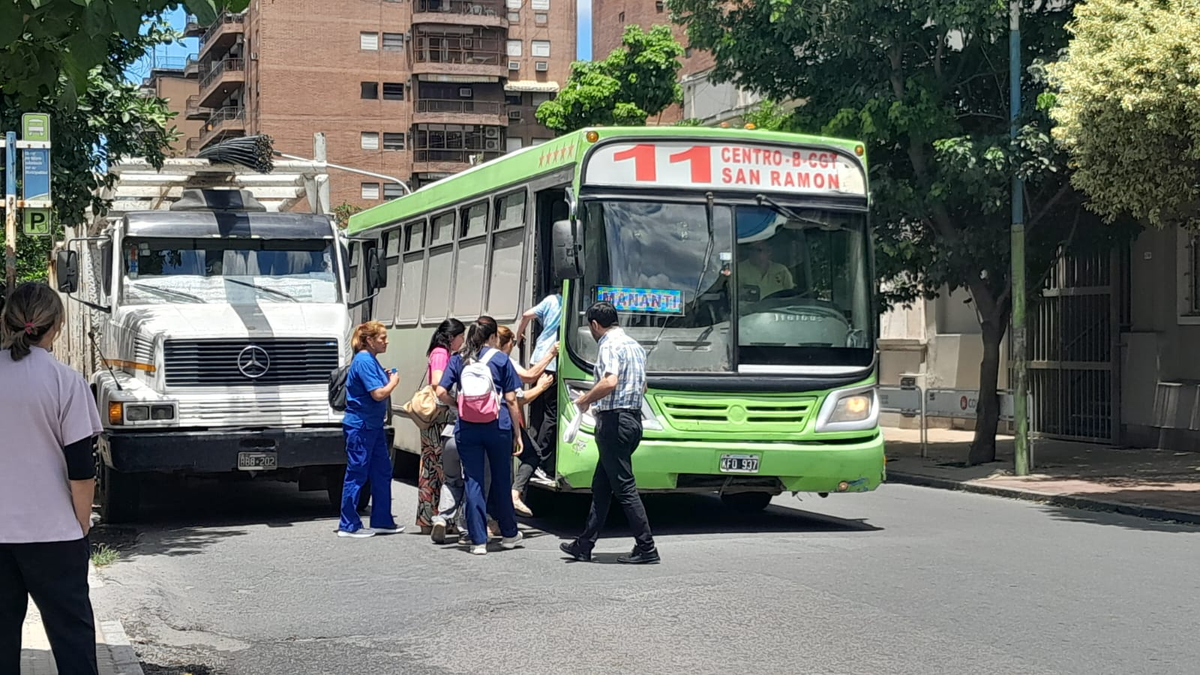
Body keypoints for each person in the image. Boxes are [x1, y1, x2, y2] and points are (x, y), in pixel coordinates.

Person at [0, 283, 103, 674]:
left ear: (7, 322)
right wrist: (80, 524)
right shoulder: (66, 381)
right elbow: (81, 468)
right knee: (72, 639)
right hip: (53, 534)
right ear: (56, 326)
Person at [560, 302, 660, 565]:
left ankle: (646, 546)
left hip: (614, 421)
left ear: (595, 325)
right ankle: (584, 544)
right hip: (633, 420)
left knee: (624, 487)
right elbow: (644, 386)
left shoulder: (608, 345)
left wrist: (586, 400)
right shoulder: (635, 346)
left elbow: (610, 381)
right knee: (602, 486)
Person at [435, 320, 525, 556]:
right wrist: (517, 432)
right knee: (501, 480)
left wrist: (458, 406)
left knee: (473, 480)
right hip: (498, 425)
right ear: (493, 336)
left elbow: (440, 391)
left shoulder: (457, 358)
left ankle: (478, 541)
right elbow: (512, 399)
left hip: (467, 428)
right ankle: (508, 534)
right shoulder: (501, 359)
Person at [338, 320, 404, 538]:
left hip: (372, 425)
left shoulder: (370, 360)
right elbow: (378, 394)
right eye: (381, 338)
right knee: (357, 473)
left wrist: (384, 377)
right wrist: (393, 382)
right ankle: (348, 525)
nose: (386, 342)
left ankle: (382, 520)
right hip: (362, 425)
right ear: (368, 340)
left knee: (382, 471)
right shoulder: (365, 360)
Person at [495, 326, 557, 517]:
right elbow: (520, 394)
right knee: (532, 454)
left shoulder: (476, 358)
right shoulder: (504, 361)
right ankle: (514, 497)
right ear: (507, 344)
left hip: (478, 421)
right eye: (512, 343)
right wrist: (542, 386)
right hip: (503, 420)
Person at [419, 318, 465, 540]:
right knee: (437, 470)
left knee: (435, 469)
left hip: (439, 418)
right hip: (439, 418)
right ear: (451, 337)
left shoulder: (441, 352)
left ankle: (435, 518)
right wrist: (455, 401)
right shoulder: (440, 353)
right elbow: (438, 383)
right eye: (460, 336)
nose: (462, 341)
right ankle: (436, 518)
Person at [516, 290, 563, 490]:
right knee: (551, 415)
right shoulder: (573, 301)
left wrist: (519, 335)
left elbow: (526, 315)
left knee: (537, 411)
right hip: (552, 360)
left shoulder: (551, 300)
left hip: (539, 356)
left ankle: (531, 454)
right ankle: (539, 458)